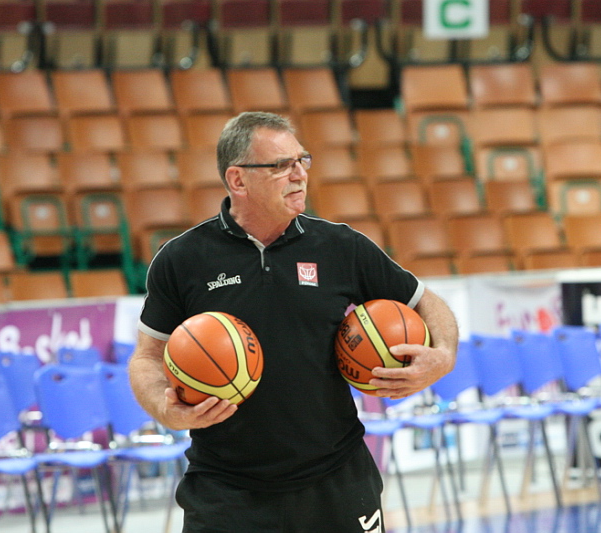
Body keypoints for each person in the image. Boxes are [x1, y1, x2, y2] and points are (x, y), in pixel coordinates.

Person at [128, 111, 459, 533]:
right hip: (227, 489)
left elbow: (427, 302)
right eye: (282, 165)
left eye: (302, 160)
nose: (300, 174)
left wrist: (443, 355)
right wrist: (165, 408)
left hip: (336, 479)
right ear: (238, 180)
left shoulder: (341, 247)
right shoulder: (183, 259)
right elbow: (147, 356)